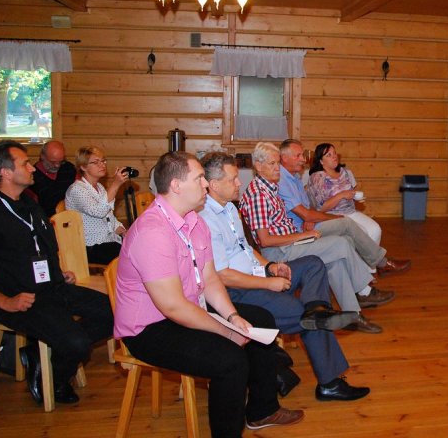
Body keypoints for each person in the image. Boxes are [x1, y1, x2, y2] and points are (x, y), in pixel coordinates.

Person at [115, 151, 303, 436]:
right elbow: (172, 307)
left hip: (188, 307)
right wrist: (226, 331)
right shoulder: (152, 232)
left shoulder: (194, 220)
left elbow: (210, 278)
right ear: (176, 186)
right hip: (149, 328)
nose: (206, 184)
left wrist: (233, 317)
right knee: (231, 360)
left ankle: (261, 411)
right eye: (199, 178)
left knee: (260, 320)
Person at [199, 152, 371, 401]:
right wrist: (267, 282)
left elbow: (247, 249)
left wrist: (270, 266)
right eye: (233, 179)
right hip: (237, 293)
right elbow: (222, 276)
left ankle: (317, 308)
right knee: (307, 317)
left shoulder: (228, 209)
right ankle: (329, 382)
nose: (239, 183)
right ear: (214, 185)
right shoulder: (206, 219)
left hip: (256, 274)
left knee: (313, 264)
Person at [0, 141, 113, 404]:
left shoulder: (31, 206)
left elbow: (42, 248)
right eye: (25, 164)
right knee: (76, 343)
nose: (32, 168)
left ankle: (44, 356)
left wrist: (59, 271)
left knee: (113, 312)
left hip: (54, 288)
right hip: (22, 301)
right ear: (5, 173)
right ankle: (53, 379)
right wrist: (5, 301)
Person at [240, 142, 389, 334]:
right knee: (342, 242)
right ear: (259, 166)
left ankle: (353, 315)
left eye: (277, 163)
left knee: (335, 261)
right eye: (272, 164)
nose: (277, 168)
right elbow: (265, 241)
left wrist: (304, 228)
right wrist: (302, 235)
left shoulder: (270, 188)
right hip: (279, 253)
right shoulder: (258, 194)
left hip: (290, 243)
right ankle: (365, 289)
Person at [279, 139, 410, 276]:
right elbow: (315, 208)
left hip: (324, 218)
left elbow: (307, 207)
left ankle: (367, 276)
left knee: (370, 230)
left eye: (334, 153)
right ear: (284, 158)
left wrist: (310, 217)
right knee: (347, 226)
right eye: (298, 155)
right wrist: (331, 215)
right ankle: (381, 263)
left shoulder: (295, 178)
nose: (304, 159)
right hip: (301, 231)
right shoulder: (291, 180)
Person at [307, 142, 381, 244]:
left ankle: (368, 254)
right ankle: (359, 254)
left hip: (350, 212)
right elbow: (320, 208)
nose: (334, 156)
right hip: (332, 216)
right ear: (321, 161)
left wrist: (355, 197)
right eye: (329, 155)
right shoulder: (317, 177)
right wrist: (341, 195)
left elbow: (349, 192)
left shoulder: (344, 172)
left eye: (334, 153)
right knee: (362, 233)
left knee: (375, 230)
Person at [65, 146, 128, 265]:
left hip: (107, 242)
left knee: (137, 244)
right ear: (83, 167)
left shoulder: (99, 187)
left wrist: (122, 230)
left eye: (103, 161)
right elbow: (99, 212)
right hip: (89, 246)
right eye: (95, 162)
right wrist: (115, 185)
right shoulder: (76, 189)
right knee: (129, 254)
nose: (102, 165)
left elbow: (109, 216)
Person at [27, 140, 77, 217]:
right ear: (42, 156)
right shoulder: (33, 177)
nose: (57, 165)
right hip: (48, 218)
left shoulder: (68, 168)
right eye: (53, 162)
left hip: (72, 215)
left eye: (60, 161)